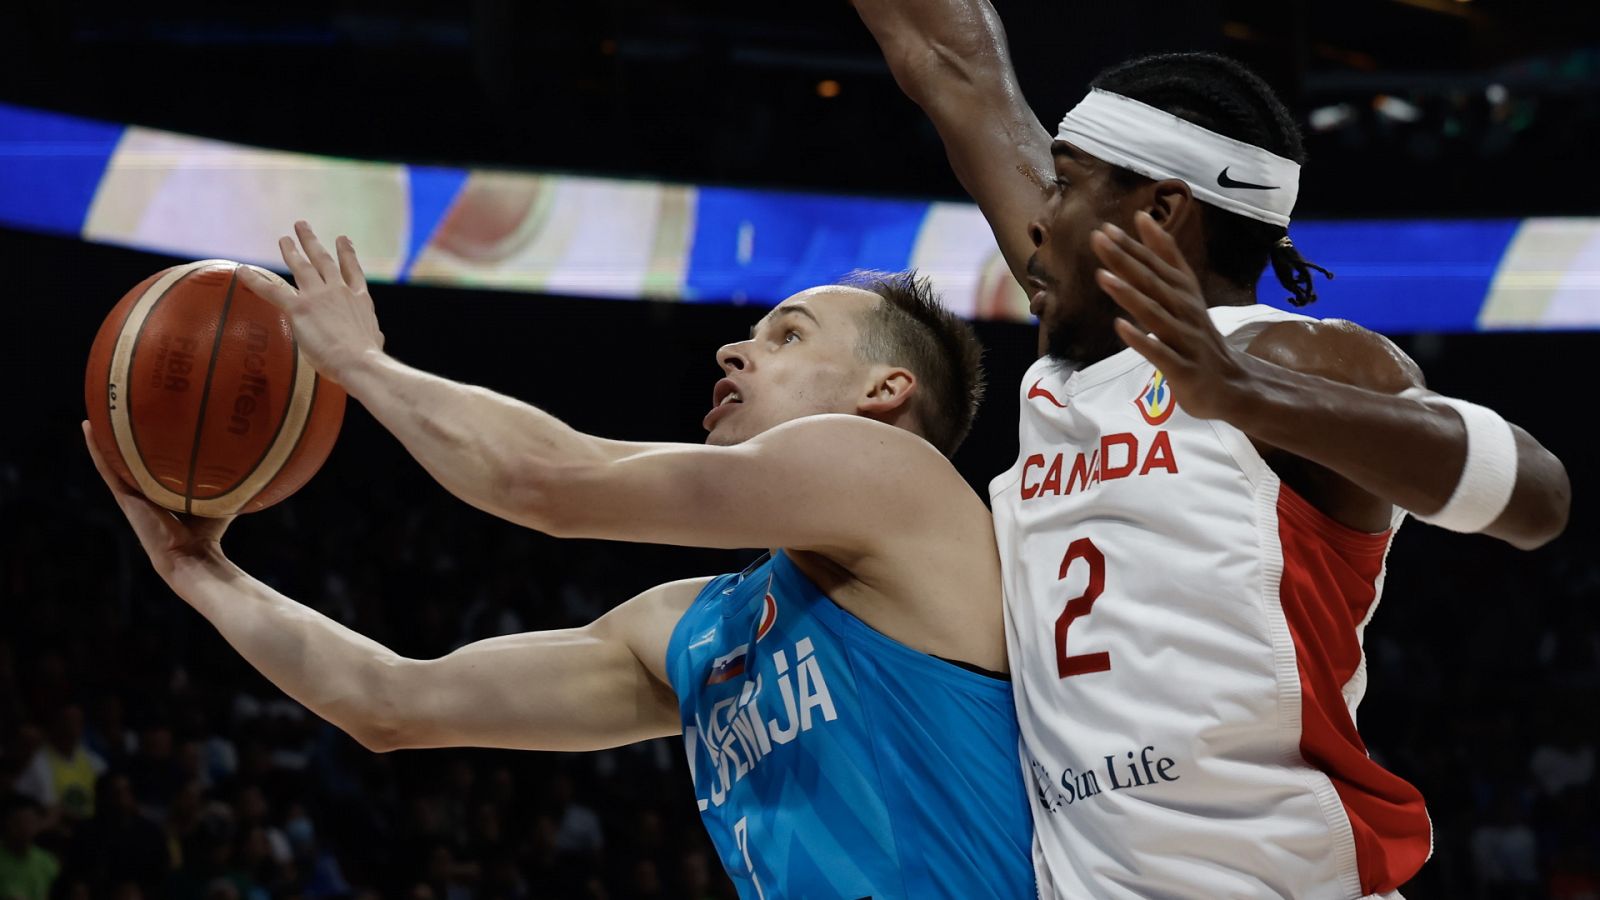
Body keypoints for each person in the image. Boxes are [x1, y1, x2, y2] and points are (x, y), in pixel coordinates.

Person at [853, 2, 1572, 896]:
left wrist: (1242, 394)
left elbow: (1538, 499)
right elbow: (951, 62)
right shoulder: (1076, 322)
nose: (1037, 218)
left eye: (1065, 184)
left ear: (1161, 212)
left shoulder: (1288, 356)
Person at [84, 222, 1033, 899]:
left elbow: (544, 480)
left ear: (886, 390)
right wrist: (196, 571)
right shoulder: (690, 627)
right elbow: (391, 705)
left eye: (787, 334)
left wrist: (364, 366)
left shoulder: (891, 475)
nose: (737, 349)